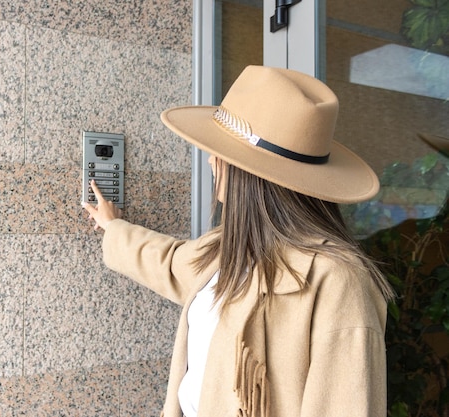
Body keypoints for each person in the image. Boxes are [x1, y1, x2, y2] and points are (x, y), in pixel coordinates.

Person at [82, 65, 395, 417]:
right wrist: (113, 226)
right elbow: (169, 262)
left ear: (248, 175)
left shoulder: (337, 281)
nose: (212, 160)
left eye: (220, 154)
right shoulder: (227, 249)